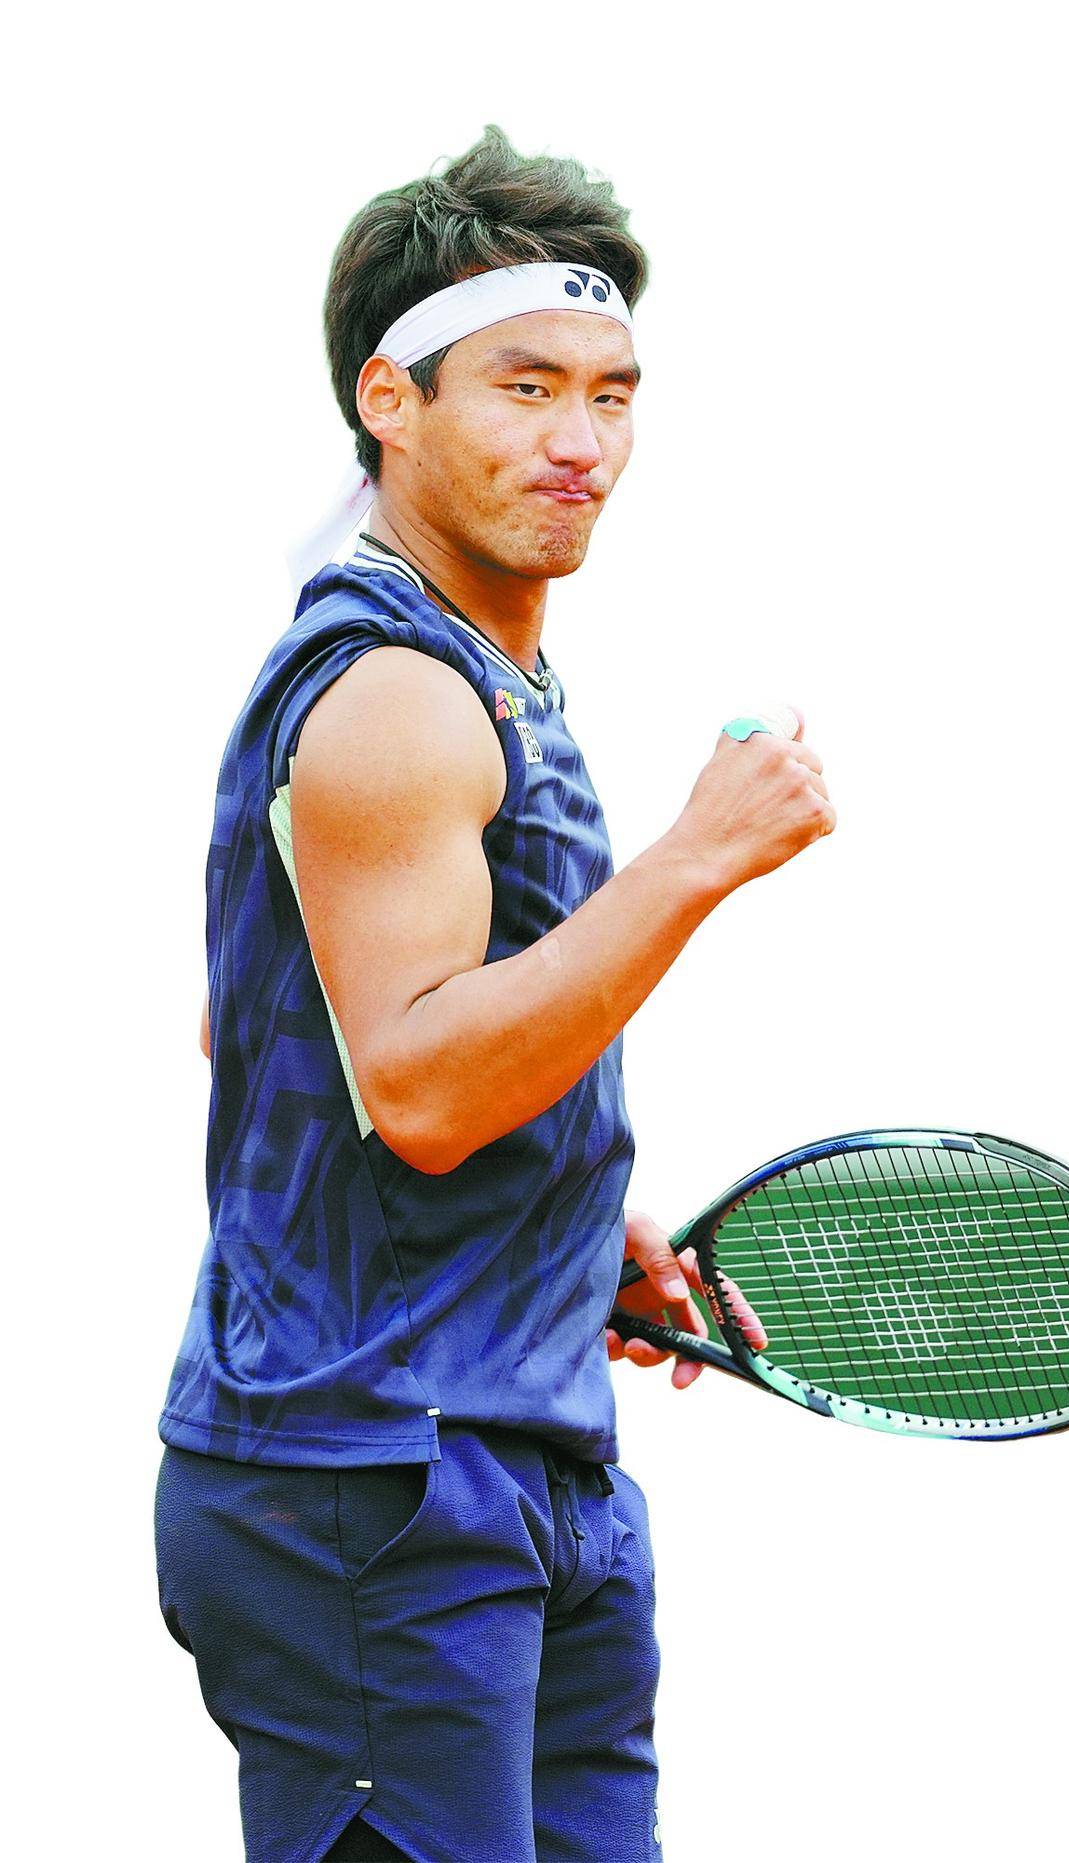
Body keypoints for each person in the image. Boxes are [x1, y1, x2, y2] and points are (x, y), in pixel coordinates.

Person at [153, 124, 835, 1863]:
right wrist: (695, 858)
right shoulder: (393, 690)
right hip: (368, 1492)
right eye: (525, 388)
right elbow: (421, 1087)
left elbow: (268, 1032)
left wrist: (556, 1219)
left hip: (523, 1463)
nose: (578, 442)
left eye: (611, 395)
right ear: (388, 399)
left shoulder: (492, 676)